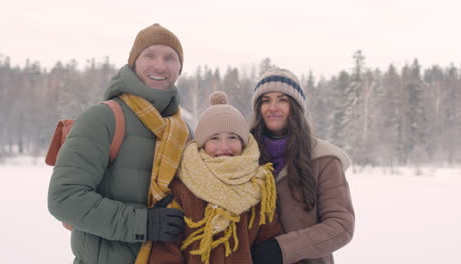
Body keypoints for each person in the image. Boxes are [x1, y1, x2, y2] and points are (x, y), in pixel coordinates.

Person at [47, 23, 190, 264]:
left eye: (170, 58)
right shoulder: (103, 118)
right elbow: (64, 198)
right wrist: (143, 224)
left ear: (180, 68)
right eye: (150, 55)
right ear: (134, 62)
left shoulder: (183, 132)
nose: (160, 65)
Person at [149, 91, 282, 264]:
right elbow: (166, 250)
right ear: (203, 144)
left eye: (232, 137)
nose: (224, 146)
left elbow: (269, 241)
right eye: (215, 138)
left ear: (243, 142)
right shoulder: (182, 187)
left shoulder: (259, 186)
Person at [249, 68, 355, 264]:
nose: (273, 107)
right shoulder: (243, 154)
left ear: (295, 106)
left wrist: (281, 250)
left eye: (282, 99)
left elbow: (341, 225)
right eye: (266, 100)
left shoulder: (324, 159)